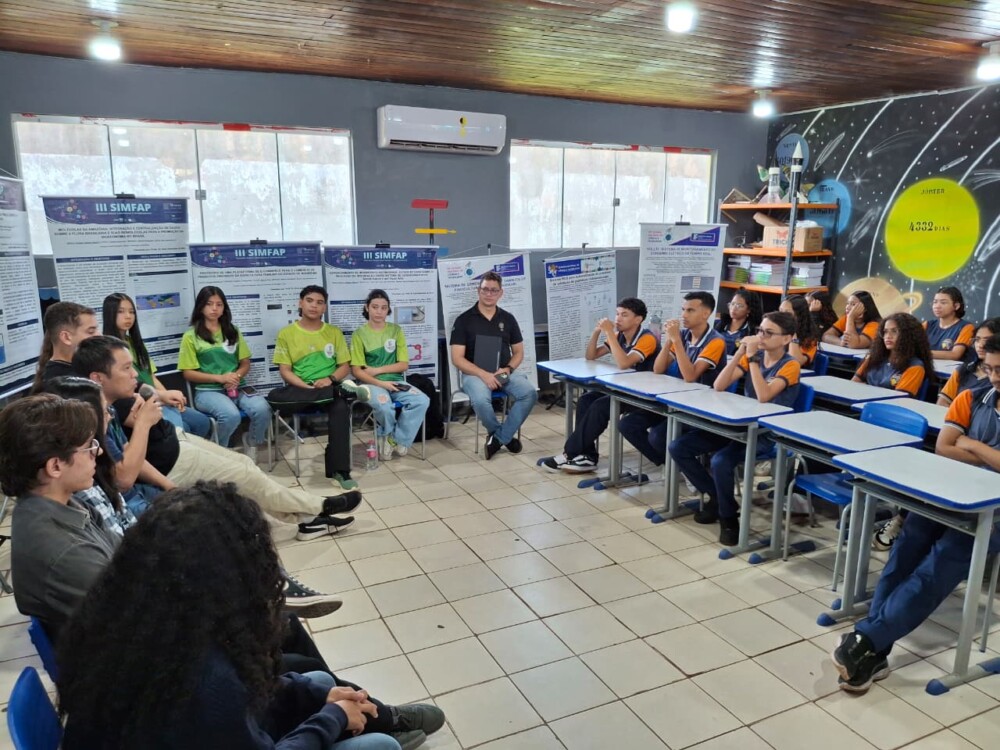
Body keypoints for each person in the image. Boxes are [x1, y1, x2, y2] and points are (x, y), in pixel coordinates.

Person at [55, 482, 445, 750]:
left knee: (318, 681)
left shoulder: (138, 613)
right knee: (378, 747)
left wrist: (320, 699)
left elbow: (246, 693)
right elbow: (231, 705)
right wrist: (331, 720)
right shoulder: (203, 677)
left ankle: (373, 714)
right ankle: (374, 724)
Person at [831, 334, 1000, 693]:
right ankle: (875, 650)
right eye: (989, 368)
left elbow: (960, 446)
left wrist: (970, 443)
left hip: (994, 514)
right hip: (946, 492)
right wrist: (983, 452)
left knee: (941, 562)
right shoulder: (971, 396)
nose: (994, 377)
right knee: (905, 550)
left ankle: (866, 638)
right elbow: (944, 448)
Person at [73, 336, 360, 541]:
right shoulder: (92, 415)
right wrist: (145, 426)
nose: (135, 374)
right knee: (243, 475)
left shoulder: (109, 403)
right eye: (126, 369)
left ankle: (307, 520)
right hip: (172, 461)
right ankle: (317, 507)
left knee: (245, 466)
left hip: (174, 442)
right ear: (97, 377)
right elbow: (125, 475)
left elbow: (132, 451)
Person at [669, 311, 801, 546]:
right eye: (760, 330)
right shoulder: (753, 355)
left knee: (721, 461)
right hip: (740, 425)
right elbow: (719, 385)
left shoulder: (790, 366)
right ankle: (720, 499)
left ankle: (729, 519)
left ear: (786, 339)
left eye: (769, 333)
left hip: (766, 433)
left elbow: (763, 396)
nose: (761, 336)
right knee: (679, 447)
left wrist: (752, 360)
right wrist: (741, 352)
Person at [540, 297, 660, 473]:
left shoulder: (646, 338)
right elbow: (591, 355)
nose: (618, 319)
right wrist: (597, 332)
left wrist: (610, 334)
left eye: (624, 315)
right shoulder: (619, 336)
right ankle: (587, 456)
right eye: (617, 314)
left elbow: (624, 363)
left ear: (638, 319)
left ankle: (569, 453)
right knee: (586, 399)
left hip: (644, 394)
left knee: (600, 406)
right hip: (624, 389)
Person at [267, 285, 370, 490]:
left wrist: (330, 379)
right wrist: (305, 385)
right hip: (301, 388)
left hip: (329, 385)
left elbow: (344, 366)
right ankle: (340, 391)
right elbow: (285, 370)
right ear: (300, 303)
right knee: (274, 397)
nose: (314, 306)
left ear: (324, 307)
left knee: (341, 409)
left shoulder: (333, 332)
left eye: (319, 302)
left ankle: (340, 472)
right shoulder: (286, 333)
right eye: (309, 300)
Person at [618, 292, 726, 469]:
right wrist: (669, 341)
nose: (683, 315)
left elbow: (690, 376)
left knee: (657, 436)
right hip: (675, 401)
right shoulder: (683, 335)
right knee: (627, 424)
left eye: (690, 310)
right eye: (683, 310)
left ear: (706, 314)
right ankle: (668, 463)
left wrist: (676, 340)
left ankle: (681, 466)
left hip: (699, 407)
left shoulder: (716, 341)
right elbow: (658, 368)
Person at [450, 271, 538, 460]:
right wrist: (483, 374)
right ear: (478, 291)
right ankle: (503, 436)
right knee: (481, 400)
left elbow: (519, 352)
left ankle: (498, 439)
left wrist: (507, 369)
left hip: (503, 373)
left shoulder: (508, 319)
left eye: (493, 290)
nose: (489, 294)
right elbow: (457, 359)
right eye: (485, 290)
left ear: (500, 293)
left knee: (529, 393)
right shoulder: (463, 320)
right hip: (474, 374)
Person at [179, 286, 272, 461]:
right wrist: (220, 378)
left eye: (219, 304)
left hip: (237, 386)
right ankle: (217, 451)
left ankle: (252, 442)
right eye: (209, 304)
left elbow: (245, 363)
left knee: (263, 409)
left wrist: (236, 376)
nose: (214, 309)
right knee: (230, 416)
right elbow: (188, 373)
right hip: (208, 391)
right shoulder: (191, 336)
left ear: (224, 308)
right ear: (201, 307)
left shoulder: (232, 331)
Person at [103, 292, 212, 438]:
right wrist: (162, 396)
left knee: (202, 423)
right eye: (121, 312)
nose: (128, 316)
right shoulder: (107, 348)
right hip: (140, 403)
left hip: (158, 397)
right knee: (181, 429)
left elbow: (151, 376)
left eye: (131, 312)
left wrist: (169, 397)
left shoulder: (135, 343)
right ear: (109, 314)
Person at [350, 289, 430, 461]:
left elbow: (403, 364)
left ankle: (396, 439)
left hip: (395, 381)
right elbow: (357, 371)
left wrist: (377, 370)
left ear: (388, 310)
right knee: (385, 407)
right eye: (375, 307)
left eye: (383, 307)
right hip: (370, 384)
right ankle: (385, 435)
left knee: (422, 400)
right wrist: (380, 383)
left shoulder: (396, 330)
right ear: (367, 308)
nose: (379, 311)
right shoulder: (359, 334)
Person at [852, 313, 934, 398]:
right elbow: (853, 385)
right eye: (885, 332)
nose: (888, 336)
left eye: (894, 331)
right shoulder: (874, 356)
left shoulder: (915, 366)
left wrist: (866, 388)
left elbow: (898, 400)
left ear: (909, 335)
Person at [31, 301, 99, 392]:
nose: (99, 335)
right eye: (91, 332)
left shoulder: (80, 367)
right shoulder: (64, 387)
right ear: (66, 337)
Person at [938, 318, 1000, 406]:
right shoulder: (964, 369)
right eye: (977, 340)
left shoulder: (996, 379)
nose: (980, 345)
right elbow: (943, 401)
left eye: (987, 340)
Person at [923, 286, 975, 362]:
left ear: (956, 306)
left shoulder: (967, 327)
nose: (937, 306)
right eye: (935, 302)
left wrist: (922, 354)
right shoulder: (927, 325)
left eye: (943, 302)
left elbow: (955, 354)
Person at [713, 288, 763, 355]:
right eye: (732, 304)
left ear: (749, 310)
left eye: (739, 306)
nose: (734, 308)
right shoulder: (718, 324)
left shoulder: (752, 330)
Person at [779, 294, 821, 368]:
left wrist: (792, 333)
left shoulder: (810, 338)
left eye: (787, 313)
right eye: (780, 311)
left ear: (799, 316)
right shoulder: (774, 330)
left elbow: (795, 361)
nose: (781, 316)